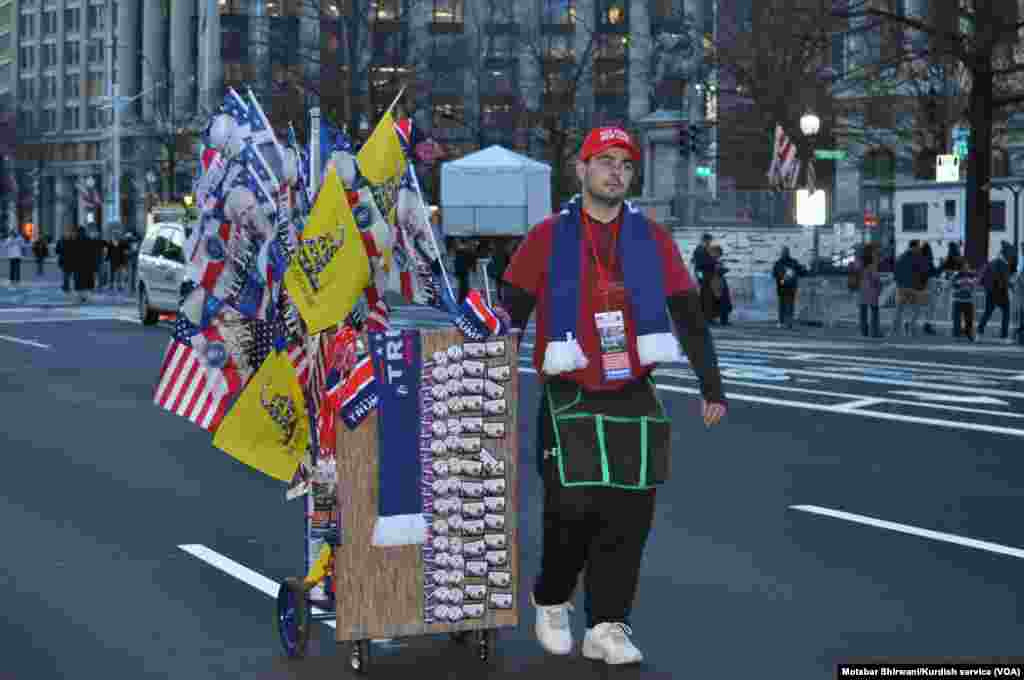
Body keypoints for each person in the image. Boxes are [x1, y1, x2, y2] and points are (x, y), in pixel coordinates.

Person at [501, 126, 727, 666]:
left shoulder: (652, 237)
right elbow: (510, 313)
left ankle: (608, 625)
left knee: (629, 516)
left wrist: (711, 385)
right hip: (569, 388)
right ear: (580, 171)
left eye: (625, 165)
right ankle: (552, 599)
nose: (616, 173)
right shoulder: (546, 237)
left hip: (633, 388)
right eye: (604, 162)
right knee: (571, 510)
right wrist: (490, 373)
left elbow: (688, 315)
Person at [977, 241, 1012, 339]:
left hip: (990, 291)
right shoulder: (1003, 263)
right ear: (1006, 252)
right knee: (1006, 312)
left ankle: (979, 334)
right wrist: (1010, 285)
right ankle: (1004, 336)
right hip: (1001, 292)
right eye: (1009, 252)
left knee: (987, 312)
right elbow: (1005, 279)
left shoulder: (993, 261)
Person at [852, 243, 883, 338]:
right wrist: (880, 285)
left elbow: (856, 274)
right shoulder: (872, 264)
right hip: (871, 290)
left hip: (861, 290)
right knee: (874, 311)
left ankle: (864, 332)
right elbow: (875, 277)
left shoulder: (859, 262)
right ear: (871, 252)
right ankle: (874, 332)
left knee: (863, 312)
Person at [772, 246, 806, 329]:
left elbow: (801, 272)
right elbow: (774, 274)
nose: (784, 253)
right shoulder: (783, 263)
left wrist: (803, 270)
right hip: (785, 287)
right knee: (785, 305)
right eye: (784, 252)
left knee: (787, 305)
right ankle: (783, 322)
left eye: (785, 252)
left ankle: (786, 322)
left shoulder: (782, 263)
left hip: (787, 287)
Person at [951, 257, 977, 341]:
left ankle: (969, 334)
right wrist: (962, 282)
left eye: (967, 266)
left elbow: (974, 284)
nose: (967, 268)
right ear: (961, 267)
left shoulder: (971, 274)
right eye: (965, 266)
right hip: (958, 300)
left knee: (969, 319)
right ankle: (957, 335)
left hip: (968, 300)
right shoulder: (956, 275)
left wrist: (969, 282)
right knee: (957, 319)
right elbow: (954, 284)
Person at [56, 227, 76, 293]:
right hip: (68, 260)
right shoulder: (72, 241)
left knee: (66, 274)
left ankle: (66, 286)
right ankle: (66, 286)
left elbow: (57, 250)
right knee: (67, 274)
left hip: (65, 260)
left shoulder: (62, 241)